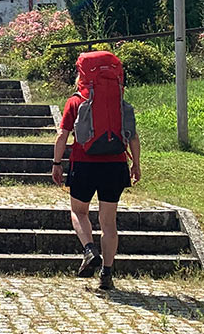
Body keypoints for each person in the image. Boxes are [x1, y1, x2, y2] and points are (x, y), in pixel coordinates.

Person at [50, 52, 141, 291]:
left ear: (82, 74)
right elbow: (133, 137)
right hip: (115, 165)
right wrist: (136, 164)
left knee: (78, 211)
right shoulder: (119, 102)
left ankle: (89, 250)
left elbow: (62, 135)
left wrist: (57, 163)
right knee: (108, 222)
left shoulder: (75, 101)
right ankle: (107, 274)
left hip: (84, 164)